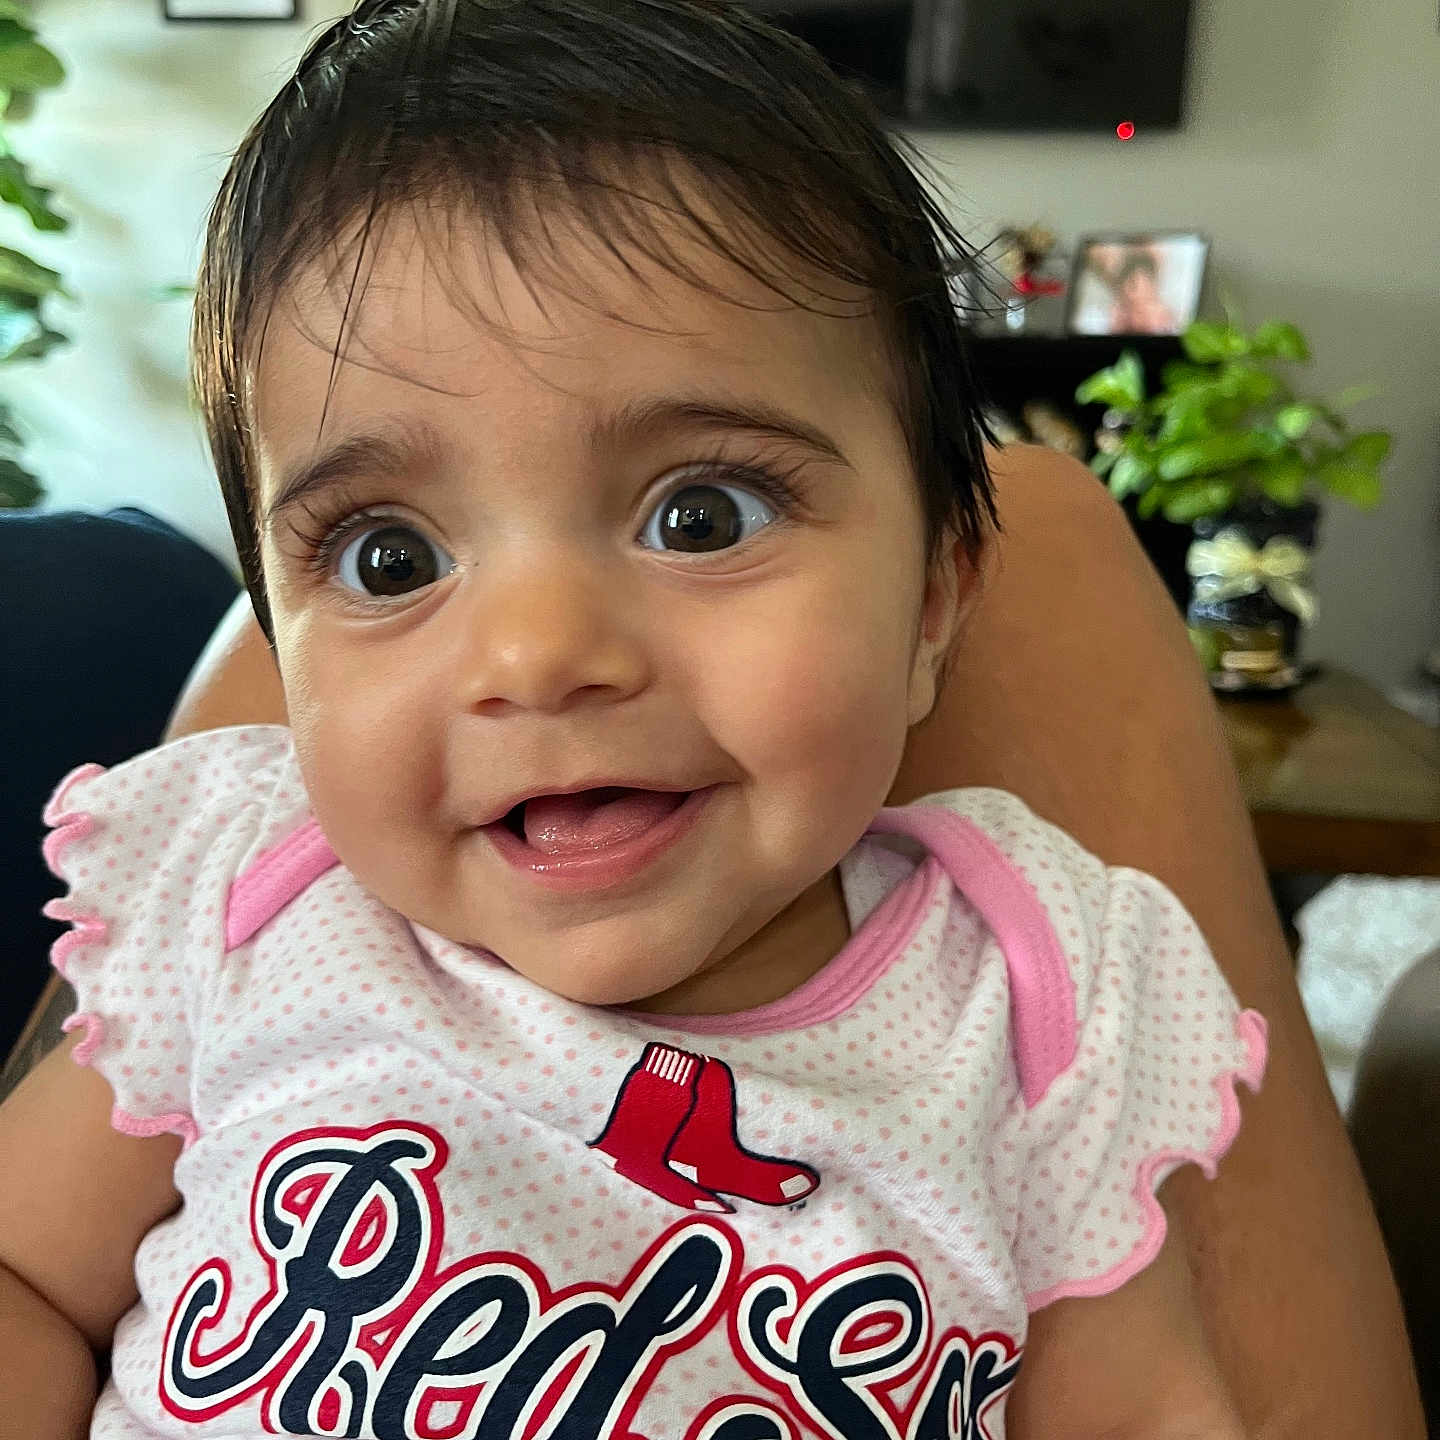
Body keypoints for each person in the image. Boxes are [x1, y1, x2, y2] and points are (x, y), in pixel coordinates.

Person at [0, 2, 1424, 1436]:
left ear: (934, 604)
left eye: (700, 515)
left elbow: (1141, 1413)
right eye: (391, 558)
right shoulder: (254, 903)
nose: (541, 655)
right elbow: (23, 1272)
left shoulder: (1023, 996)